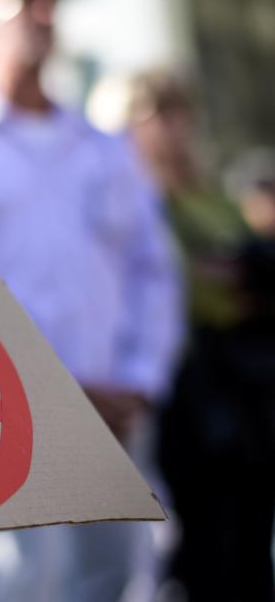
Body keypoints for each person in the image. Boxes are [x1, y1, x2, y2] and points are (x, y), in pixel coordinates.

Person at [0, 0, 183, 602]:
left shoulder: (104, 150)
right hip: (14, 429)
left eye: (50, 2)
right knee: (28, 585)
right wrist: (44, 395)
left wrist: (139, 382)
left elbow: (152, 271)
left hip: (120, 419)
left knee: (124, 578)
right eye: (23, 2)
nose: (43, 16)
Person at [128, 72, 275, 602]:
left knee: (249, 541)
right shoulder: (139, 203)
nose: (169, 126)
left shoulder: (210, 196)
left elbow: (246, 279)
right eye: (153, 112)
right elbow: (196, 289)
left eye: (177, 110)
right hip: (181, 392)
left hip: (243, 391)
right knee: (201, 546)